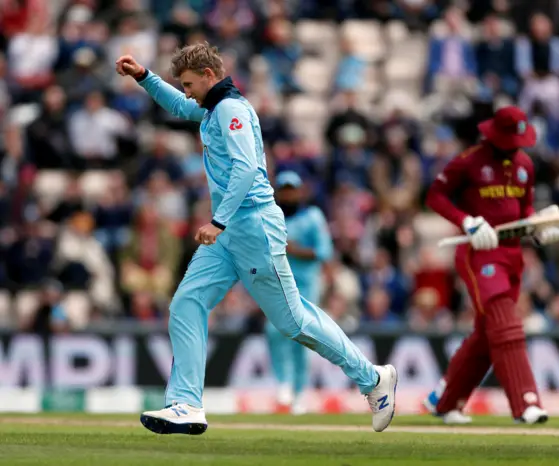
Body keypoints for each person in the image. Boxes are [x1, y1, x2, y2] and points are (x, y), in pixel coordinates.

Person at [115, 43, 397, 435]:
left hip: (252, 228)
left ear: (210, 76)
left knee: (292, 321)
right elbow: (179, 107)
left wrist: (217, 221)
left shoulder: (230, 109)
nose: (188, 91)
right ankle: (186, 404)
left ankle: (373, 379)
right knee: (186, 303)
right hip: (232, 234)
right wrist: (145, 78)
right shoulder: (214, 107)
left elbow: (247, 169)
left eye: (190, 83)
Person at [424, 106, 559, 424]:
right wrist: (467, 221)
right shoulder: (469, 161)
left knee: (488, 333)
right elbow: (435, 197)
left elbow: (524, 211)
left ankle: (445, 401)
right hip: (479, 254)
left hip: (512, 255)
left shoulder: (525, 165)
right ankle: (526, 402)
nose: (515, 147)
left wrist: (539, 231)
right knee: (505, 323)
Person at [266, 171, 333, 415]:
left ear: (300, 191)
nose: (288, 194)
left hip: (305, 284)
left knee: (302, 335)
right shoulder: (271, 216)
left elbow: (323, 252)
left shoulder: (313, 217)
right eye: (283, 190)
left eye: (292, 189)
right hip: (276, 282)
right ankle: (283, 382)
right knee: (274, 331)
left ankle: (299, 392)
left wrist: (293, 250)